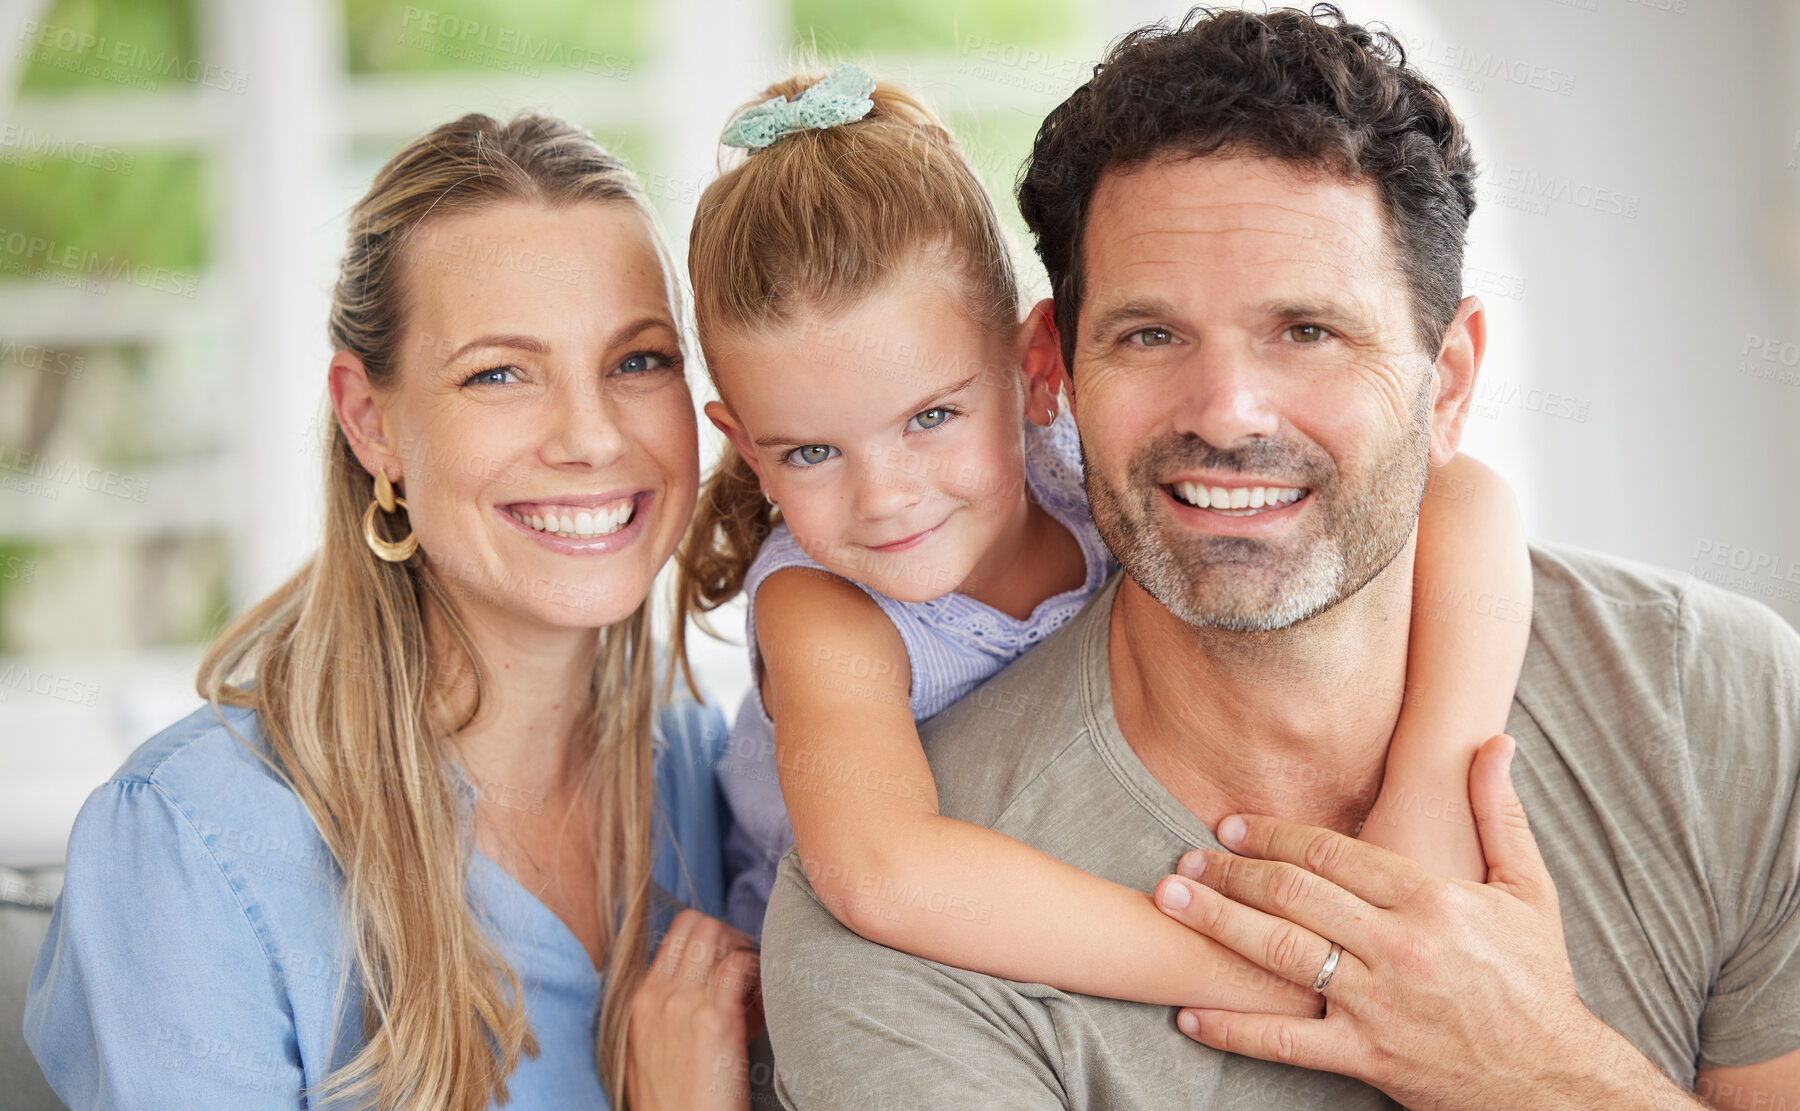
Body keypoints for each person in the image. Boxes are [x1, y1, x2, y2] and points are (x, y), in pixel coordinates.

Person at [756, 7, 1800, 1109]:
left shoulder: (1719, 703)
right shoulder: (896, 945)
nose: (1228, 411)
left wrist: (1537, 1069)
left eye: (1308, 330)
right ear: (1056, 371)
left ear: (1447, 383)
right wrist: (1329, 976)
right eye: (1151, 335)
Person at [677, 59, 1529, 1017]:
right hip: (872, 970)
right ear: (744, 445)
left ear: (1037, 368)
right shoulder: (820, 604)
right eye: (811, 451)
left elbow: (1468, 498)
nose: (884, 497)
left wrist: (1429, 792)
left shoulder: (1080, 454)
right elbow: (884, 869)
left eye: (930, 419)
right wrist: (1287, 976)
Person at [25, 113, 761, 1111]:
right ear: (372, 422)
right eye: (499, 372)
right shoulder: (187, 846)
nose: (591, 436)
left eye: (638, 361)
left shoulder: (696, 772)